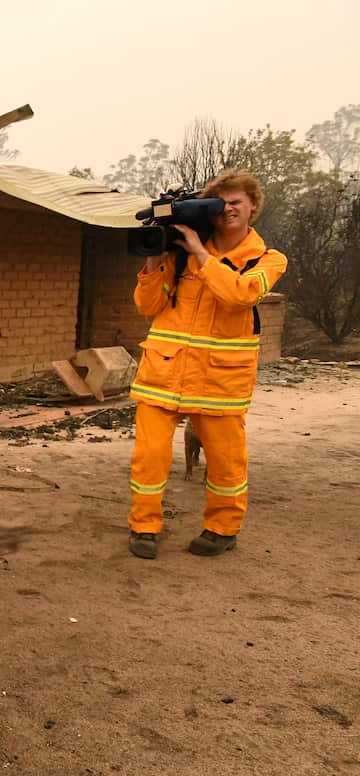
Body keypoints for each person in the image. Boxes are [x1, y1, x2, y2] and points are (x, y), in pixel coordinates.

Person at [127, 169, 288, 559]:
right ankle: (144, 527)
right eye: (222, 203)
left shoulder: (268, 259)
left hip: (220, 381)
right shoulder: (180, 257)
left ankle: (222, 528)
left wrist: (201, 252)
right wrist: (155, 261)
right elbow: (147, 306)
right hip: (163, 374)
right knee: (148, 456)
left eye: (237, 202)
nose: (229, 208)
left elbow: (240, 295)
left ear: (253, 206)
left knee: (225, 462)